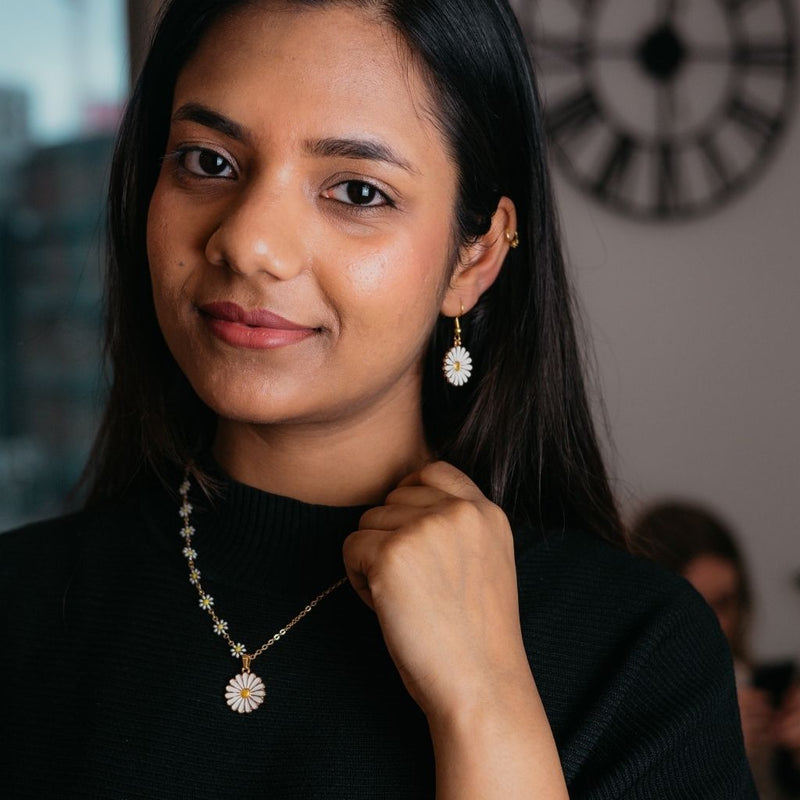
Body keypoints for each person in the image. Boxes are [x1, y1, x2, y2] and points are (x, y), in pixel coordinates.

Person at [0, 1, 755, 797]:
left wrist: (488, 703)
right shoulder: (22, 609)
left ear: (476, 256)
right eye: (208, 162)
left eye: (357, 191)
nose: (249, 241)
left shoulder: (635, 652)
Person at [632, 501, 800, 798]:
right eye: (699, 606)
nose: (718, 624)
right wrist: (713, 750)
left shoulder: (767, 688)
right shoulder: (627, 715)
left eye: (725, 602)